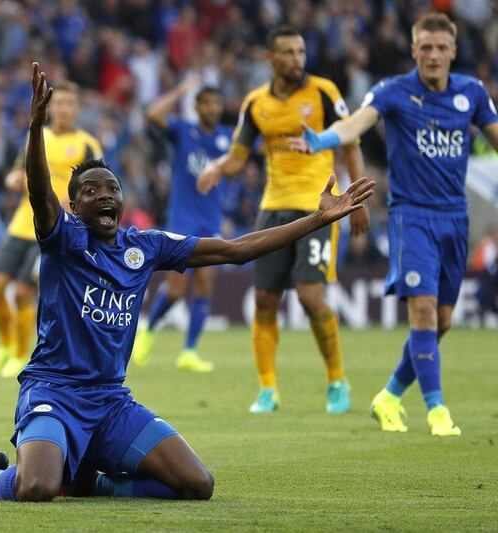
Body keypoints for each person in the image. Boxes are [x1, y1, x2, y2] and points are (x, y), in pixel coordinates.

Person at [0, 62, 374, 502]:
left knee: (197, 484)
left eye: (112, 188)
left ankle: (94, 482)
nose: (104, 194)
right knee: (38, 488)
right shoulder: (63, 239)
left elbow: (235, 250)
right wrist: (35, 129)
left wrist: (316, 219)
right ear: (74, 205)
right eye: (90, 191)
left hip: (110, 401)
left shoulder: (145, 246)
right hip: (54, 391)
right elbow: (37, 190)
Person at [291, 12, 498, 436]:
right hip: (411, 216)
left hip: (455, 219)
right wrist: (324, 139)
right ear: (413, 50)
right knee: (421, 310)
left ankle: (388, 396)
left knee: (441, 322)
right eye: (426, 47)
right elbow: (356, 124)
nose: (434, 55)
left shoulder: (472, 93)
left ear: (454, 51)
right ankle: (437, 410)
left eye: (442, 48)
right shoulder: (394, 92)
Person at [198, 26, 367, 414]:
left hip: (320, 207)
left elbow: (350, 140)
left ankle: (337, 380)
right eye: (289, 52)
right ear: (270, 59)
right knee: (264, 299)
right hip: (273, 207)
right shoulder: (255, 103)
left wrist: (356, 198)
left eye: (301, 51)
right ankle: (268, 390)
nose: (297, 59)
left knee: (310, 296)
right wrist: (219, 167)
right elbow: (239, 156)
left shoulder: (324, 91)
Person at [0, 81, 102, 379]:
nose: (62, 109)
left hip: (52, 229)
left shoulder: (88, 144)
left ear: (76, 109)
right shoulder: (36, 135)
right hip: (21, 222)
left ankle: (20, 354)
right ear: (50, 107)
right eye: (57, 103)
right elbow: (20, 169)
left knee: (22, 292)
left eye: (68, 104)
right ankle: (5, 345)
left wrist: (72, 204)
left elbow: (98, 189)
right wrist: (13, 178)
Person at [130, 77, 235, 373]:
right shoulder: (184, 131)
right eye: (207, 102)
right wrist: (178, 89)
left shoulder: (228, 137)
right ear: (197, 106)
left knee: (205, 284)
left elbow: (247, 152)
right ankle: (148, 331)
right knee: (176, 288)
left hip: (211, 220)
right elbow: (152, 114)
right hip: (182, 218)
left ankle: (189, 351)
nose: (213, 108)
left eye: (216, 102)